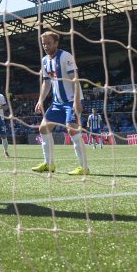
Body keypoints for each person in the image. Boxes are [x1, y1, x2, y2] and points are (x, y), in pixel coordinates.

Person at [32, 31, 90, 175]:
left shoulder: (65, 56)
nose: (45, 46)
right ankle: (49, 164)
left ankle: (84, 168)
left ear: (56, 43)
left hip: (71, 100)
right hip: (57, 103)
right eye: (43, 43)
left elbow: (75, 80)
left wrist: (77, 102)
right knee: (43, 128)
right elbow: (46, 83)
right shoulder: (45, 61)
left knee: (72, 129)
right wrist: (40, 99)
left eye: (48, 43)